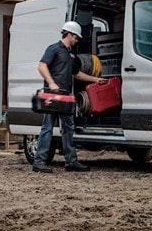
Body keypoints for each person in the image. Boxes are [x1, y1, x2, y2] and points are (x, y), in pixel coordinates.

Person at [32, 21, 105, 173]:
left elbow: (77, 74)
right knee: (47, 128)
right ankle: (39, 162)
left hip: (65, 97)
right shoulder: (53, 49)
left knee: (68, 129)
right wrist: (51, 83)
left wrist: (97, 80)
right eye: (76, 37)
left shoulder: (71, 55)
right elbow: (42, 65)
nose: (77, 40)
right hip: (51, 96)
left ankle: (71, 162)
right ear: (69, 34)